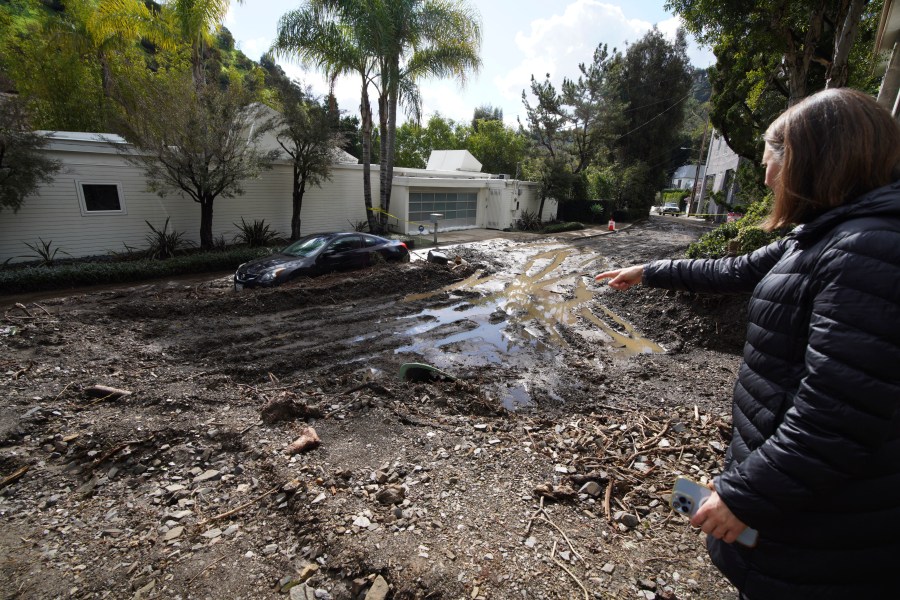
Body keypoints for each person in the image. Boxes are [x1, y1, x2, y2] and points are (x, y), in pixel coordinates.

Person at [596, 87, 900, 600]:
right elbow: (733, 269)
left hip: (828, 528)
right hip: (803, 506)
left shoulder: (868, 249)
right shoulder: (825, 236)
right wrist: (648, 270)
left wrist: (747, 495)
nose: (766, 177)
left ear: (814, 162)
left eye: (773, 162)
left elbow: (838, 413)